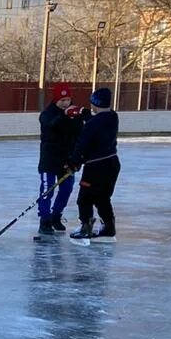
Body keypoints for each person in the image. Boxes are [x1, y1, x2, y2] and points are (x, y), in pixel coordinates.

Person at [69, 88, 120, 242]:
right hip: (112, 163)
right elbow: (98, 120)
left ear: (95, 104)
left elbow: (82, 145)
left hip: (95, 168)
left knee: (84, 199)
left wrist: (73, 163)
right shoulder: (113, 116)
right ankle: (109, 227)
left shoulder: (92, 125)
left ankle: (86, 227)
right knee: (103, 198)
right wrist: (85, 113)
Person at [36, 82, 82, 236]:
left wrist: (77, 159)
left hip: (68, 160)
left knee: (67, 188)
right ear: (55, 100)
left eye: (68, 100)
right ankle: (45, 219)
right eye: (62, 101)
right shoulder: (48, 114)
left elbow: (79, 136)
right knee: (47, 190)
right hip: (49, 160)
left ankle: (56, 215)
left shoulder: (75, 115)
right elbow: (50, 124)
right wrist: (64, 115)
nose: (65, 103)